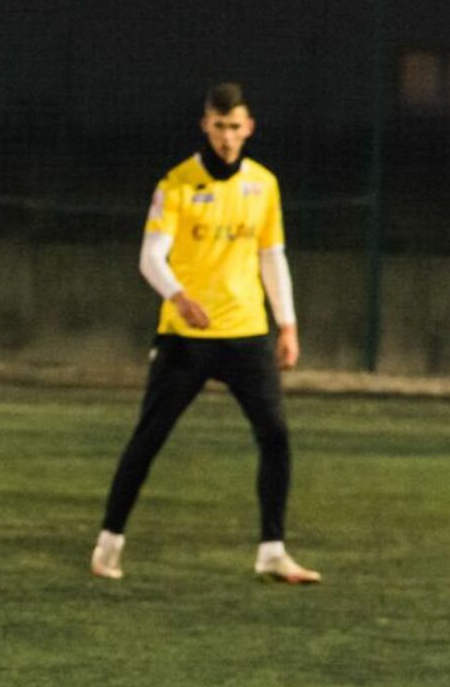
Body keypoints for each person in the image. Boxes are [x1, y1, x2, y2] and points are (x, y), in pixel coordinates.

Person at [92, 83, 319, 584]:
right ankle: (109, 543)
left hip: (246, 332)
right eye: (219, 127)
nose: (228, 137)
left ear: (249, 127)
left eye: (236, 127)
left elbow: (271, 256)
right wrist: (177, 295)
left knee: (276, 435)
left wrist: (287, 323)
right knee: (149, 437)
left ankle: (273, 550)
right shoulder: (175, 184)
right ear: (205, 126)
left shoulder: (263, 185)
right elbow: (150, 256)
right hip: (186, 336)